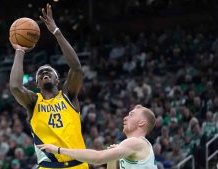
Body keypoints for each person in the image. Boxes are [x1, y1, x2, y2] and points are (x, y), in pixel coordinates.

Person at [9, 3, 88, 169]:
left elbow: (77, 69)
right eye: (40, 73)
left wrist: (56, 32)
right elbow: (16, 87)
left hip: (78, 165)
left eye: (49, 72)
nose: (45, 73)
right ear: (37, 83)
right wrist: (19, 51)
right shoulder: (33, 102)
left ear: (57, 79)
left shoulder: (68, 95)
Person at [38, 105, 157, 169]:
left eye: (131, 115)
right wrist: (112, 158)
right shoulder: (132, 147)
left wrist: (58, 150)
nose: (125, 118)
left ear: (142, 123)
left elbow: (98, 158)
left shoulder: (136, 143)